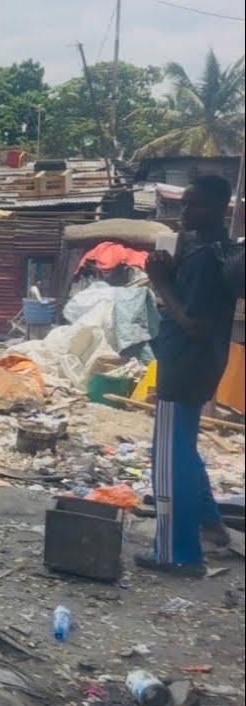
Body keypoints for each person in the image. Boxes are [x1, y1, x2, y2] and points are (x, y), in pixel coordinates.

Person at [139, 175, 238, 576]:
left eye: (194, 204)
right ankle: (210, 522)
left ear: (218, 208)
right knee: (185, 448)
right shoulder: (219, 252)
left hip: (182, 367)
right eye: (184, 203)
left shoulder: (202, 259)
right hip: (206, 366)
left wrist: (162, 283)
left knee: (168, 459)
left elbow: (194, 323)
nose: (185, 212)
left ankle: (177, 552)